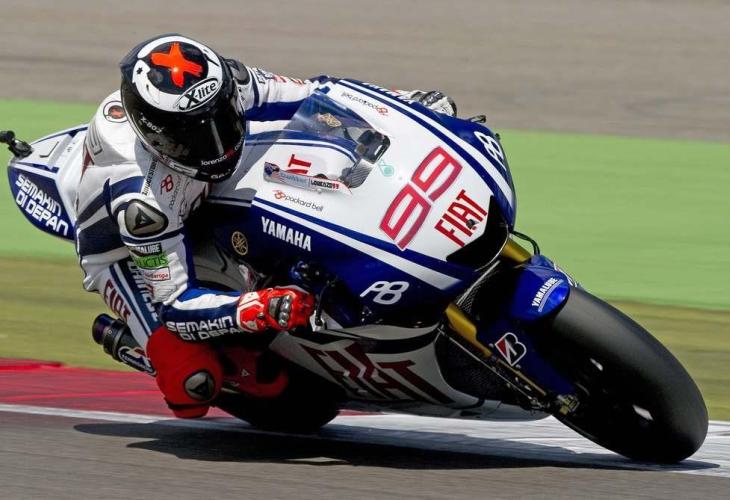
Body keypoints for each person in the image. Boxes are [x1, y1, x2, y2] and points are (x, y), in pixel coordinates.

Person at [77, 34, 457, 418]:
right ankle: (152, 348)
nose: (214, 144)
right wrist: (259, 308)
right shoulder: (144, 205)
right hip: (123, 255)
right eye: (190, 138)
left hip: (203, 189)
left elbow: (321, 91)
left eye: (221, 119)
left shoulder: (231, 82)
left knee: (328, 143)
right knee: (191, 385)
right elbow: (175, 307)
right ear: (154, 138)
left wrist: (406, 102)